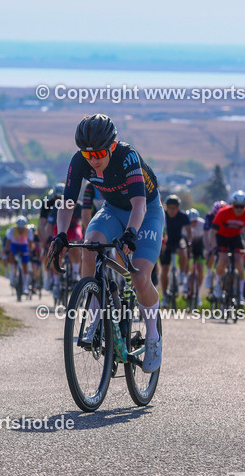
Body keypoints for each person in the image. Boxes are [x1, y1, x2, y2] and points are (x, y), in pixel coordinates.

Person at [46, 114, 164, 373]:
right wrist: (61, 234)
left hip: (146, 211)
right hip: (113, 209)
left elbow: (139, 204)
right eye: (88, 156)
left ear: (112, 146)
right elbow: (68, 202)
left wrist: (131, 233)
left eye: (99, 153)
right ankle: (95, 314)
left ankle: (154, 337)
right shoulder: (80, 161)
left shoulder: (127, 157)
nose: (94, 160)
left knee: (141, 276)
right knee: (90, 246)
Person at [210, 190, 245, 302]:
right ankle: (217, 285)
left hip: (235, 237)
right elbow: (213, 233)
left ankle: (240, 295)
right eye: (236, 206)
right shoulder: (223, 212)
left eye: (242, 206)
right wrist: (215, 247)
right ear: (232, 204)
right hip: (221, 237)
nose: (239, 209)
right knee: (224, 259)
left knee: (239, 261)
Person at [159, 195, 192, 305]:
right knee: (164, 269)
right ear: (166, 207)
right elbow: (161, 231)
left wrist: (189, 242)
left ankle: (182, 273)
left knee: (183, 250)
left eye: (174, 208)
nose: (172, 210)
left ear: (178, 208)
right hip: (166, 240)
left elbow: (189, 231)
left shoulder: (183, 216)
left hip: (178, 239)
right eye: (170, 208)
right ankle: (164, 295)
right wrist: (162, 245)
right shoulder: (162, 215)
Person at [6, 215, 34, 290]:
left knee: (25, 265)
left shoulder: (28, 230)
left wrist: (30, 250)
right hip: (14, 245)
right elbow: (8, 241)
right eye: (19, 228)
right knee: (12, 255)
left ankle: (25, 286)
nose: (20, 229)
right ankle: (12, 274)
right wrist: (7, 249)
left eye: (22, 228)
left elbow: (30, 241)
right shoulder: (12, 229)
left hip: (24, 246)